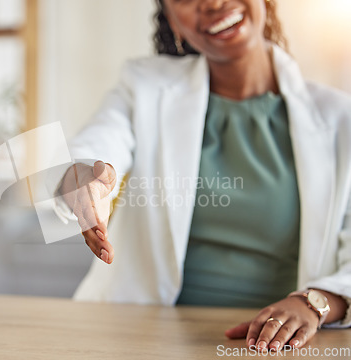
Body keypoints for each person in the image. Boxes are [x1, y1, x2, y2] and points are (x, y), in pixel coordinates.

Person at [54, 0, 351, 351]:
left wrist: (313, 302)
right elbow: (100, 141)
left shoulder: (339, 118)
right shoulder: (144, 84)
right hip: (145, 337)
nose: (211, 3)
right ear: (173, 23)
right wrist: (84, 174)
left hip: (273, 346)